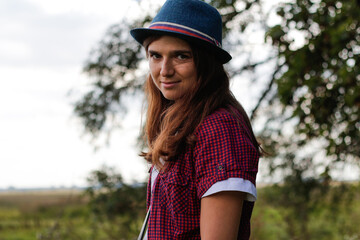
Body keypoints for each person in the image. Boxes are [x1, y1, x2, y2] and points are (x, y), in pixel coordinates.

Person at [130, 0, 261, 239]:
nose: (164, 70)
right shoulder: (182, 124)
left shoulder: (220, 129)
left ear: (207, 63)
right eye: (155, 55)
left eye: (181, 56)